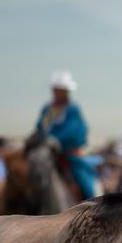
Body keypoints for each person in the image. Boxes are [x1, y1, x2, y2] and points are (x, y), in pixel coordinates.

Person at [32, 70, 97, 200]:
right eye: (56, 88)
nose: (58, 92)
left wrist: (54, 140)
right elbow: (40, 127)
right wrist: (37, 138)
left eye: (61, 89)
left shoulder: (72, 109)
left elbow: (71, 131)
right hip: (48, 152)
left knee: (85, 182)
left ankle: (93, 205)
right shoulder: (48, 109)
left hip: (69, 155)